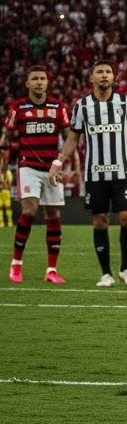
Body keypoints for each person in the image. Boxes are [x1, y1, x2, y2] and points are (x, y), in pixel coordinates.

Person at [50, 60, 127, 287]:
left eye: (108, 72)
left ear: (113, 77)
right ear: (92, 78)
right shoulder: (82, 106)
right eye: (100, 72)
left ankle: (125, 269)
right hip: (95, 174)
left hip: (122, 172)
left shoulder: (125, 103)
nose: (104, 75)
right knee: (100, 221)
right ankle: (106, 273)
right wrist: (58, 162)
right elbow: (72, 138)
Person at [3, 66, 77, 284]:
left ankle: (51, 270)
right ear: (27, 83)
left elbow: (70, 138)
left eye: (42, 78)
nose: (39, 82)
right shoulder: (18, 107)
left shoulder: (57, 107)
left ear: (47, 82)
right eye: (34, 78)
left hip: (52, 168)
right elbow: (5, 138)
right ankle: (16, 264)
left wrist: (74, 166)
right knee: (29, 210)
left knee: (53, 214)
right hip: (28, 167)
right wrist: (1, 169)